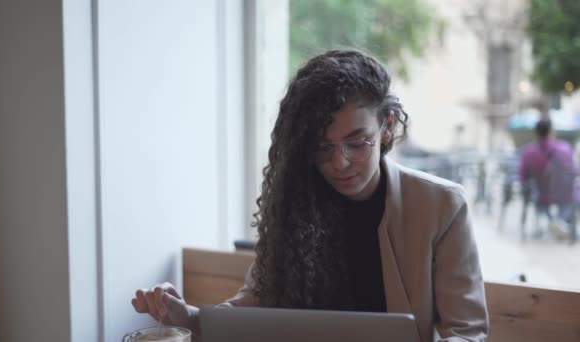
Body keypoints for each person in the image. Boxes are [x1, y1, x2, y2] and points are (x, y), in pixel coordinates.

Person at [132, 49, 489, 342]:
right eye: (322, 147)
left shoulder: (440, 206)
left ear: (387, 126)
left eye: (357, 143)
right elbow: (253, 306)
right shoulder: (297, 203)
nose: (340, 163)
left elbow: (467, 331)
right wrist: (187, 317)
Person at [518, 117, 578, 242]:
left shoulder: (529, 151)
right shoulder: (565, 148)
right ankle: (560, 221)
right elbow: (573, 171)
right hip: (566, 195)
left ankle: (552, 221)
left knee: (538, 198)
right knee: (574, 197)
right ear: (552, 131)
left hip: (542, 196)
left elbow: (523, 176)